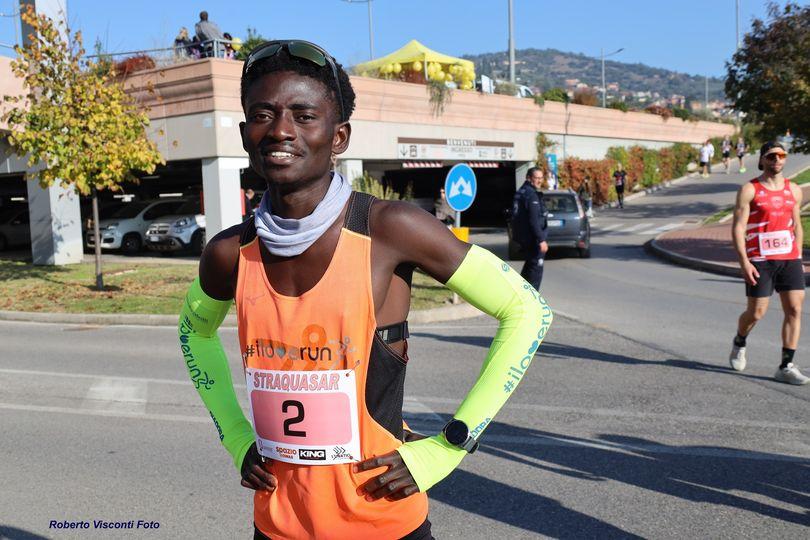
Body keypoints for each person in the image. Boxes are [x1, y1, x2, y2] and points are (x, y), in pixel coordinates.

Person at [178, 40, 553, 539]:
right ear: (247, 132)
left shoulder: (390, 229)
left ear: (339, 137)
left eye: (303, 115)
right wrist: (236, 437)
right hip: (276, 525)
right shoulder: (228, 252)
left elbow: (527, 311)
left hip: (382, 521)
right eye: (263, 114)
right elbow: (192, 335)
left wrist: (450, 445)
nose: (281, 130)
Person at [729, 141, 809, 385]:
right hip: (760, 259)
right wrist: (744, 262)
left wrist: (797, 254)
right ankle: (740, 340)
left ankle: (786, 366)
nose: (777, 161)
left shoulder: (793, 190)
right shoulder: (749, 190)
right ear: (762, 160)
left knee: (795, 309)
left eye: (781, 156)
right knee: (757, 312)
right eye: (771, 157)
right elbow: (738, 227)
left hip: (788, 258)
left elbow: (796, 224)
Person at [511, 167, 548, 290]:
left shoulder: (520, 191)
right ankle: (533, 301)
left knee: (528, 268)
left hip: (523, 238)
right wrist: (541, 239)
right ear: (529, 178)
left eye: (541, 178)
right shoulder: (530, 195)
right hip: (533, 240)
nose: (539, 181)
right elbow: (534, 220)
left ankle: (519, 293)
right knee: (535, 272)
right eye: (536, 178)